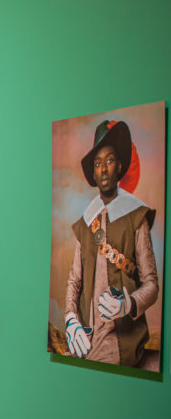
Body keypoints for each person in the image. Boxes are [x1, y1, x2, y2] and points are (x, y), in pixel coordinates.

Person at [64, 119, 159, 368]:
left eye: (109, 161)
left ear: (119, 167)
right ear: (94, 174)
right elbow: (75, 281)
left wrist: (129, 303)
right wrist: (71, 319)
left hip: (122, 344)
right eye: (98, 163)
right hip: (86, 340)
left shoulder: (136, 217)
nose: (103, 169)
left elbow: (151, 284)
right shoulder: (86, 222)